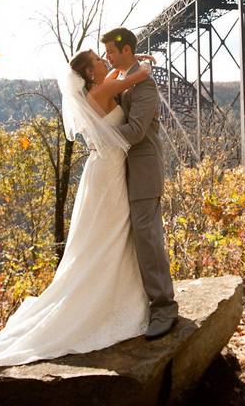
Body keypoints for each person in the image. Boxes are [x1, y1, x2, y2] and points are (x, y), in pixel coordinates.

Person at [0, 49, 153, 369]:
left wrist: (130, 56)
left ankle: (113, 296)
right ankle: (109, 303)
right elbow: (137, 77)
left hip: (103, 171)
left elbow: (117, 74)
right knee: (111, 235)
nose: (104, 62)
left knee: (104, 237)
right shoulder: (102, 90)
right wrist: (143, 65)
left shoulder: (97, 88)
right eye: (99, 60)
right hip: (108, 174)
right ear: (88, 73)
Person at [102, 27, 178, 340]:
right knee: (129, 237)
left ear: (126, 51)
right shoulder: (125, 75)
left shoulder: (144, 83)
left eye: (111, 52)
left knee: (147, 238)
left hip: (144, 171)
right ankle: (138, 303)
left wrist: (99, 137)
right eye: (105, 54)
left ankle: (164, 308)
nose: (107, 58)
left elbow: (135, 131)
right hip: (123, 170)